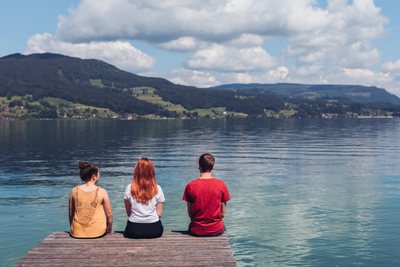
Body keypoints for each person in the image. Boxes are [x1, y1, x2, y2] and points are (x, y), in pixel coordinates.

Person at [183, 153, 231, 236]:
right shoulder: (221, 185)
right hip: (216, 229)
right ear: (213, 166)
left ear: (199, 166)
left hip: (196, 230)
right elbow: (223, 213)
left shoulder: (190, 185)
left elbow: (190, 214)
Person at [69, 162, 113, 238]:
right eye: (99, 174)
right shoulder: (102, 191)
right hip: (98, 233)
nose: (99, 176)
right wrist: (108, 231)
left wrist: (74, 228)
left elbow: (71, 214)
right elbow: (109, 216)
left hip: (76, 233)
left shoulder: (74, 191)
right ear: (94, 176)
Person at [124, 157, 165, 238]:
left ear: (136, 171)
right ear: (152, 172)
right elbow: (159, 214)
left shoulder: (129, 188)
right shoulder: (158, 188)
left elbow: (129, 213)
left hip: (133, 230)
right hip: (154, 230)